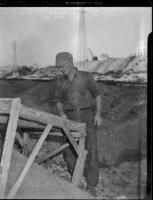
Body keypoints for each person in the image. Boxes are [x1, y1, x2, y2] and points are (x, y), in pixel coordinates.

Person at [54, 52, 102, 193]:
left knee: (92, 151)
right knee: (69, 152)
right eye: (58, 67)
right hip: (70, 119)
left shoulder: (86, 77)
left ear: (70, 62)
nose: (60, 70)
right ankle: (76, 179)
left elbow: (97, 95)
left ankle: (92, 185)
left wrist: (98, 114)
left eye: (62, 66)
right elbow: (58, 100)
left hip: (87, 116)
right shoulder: (60, 82)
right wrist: (61, 113)